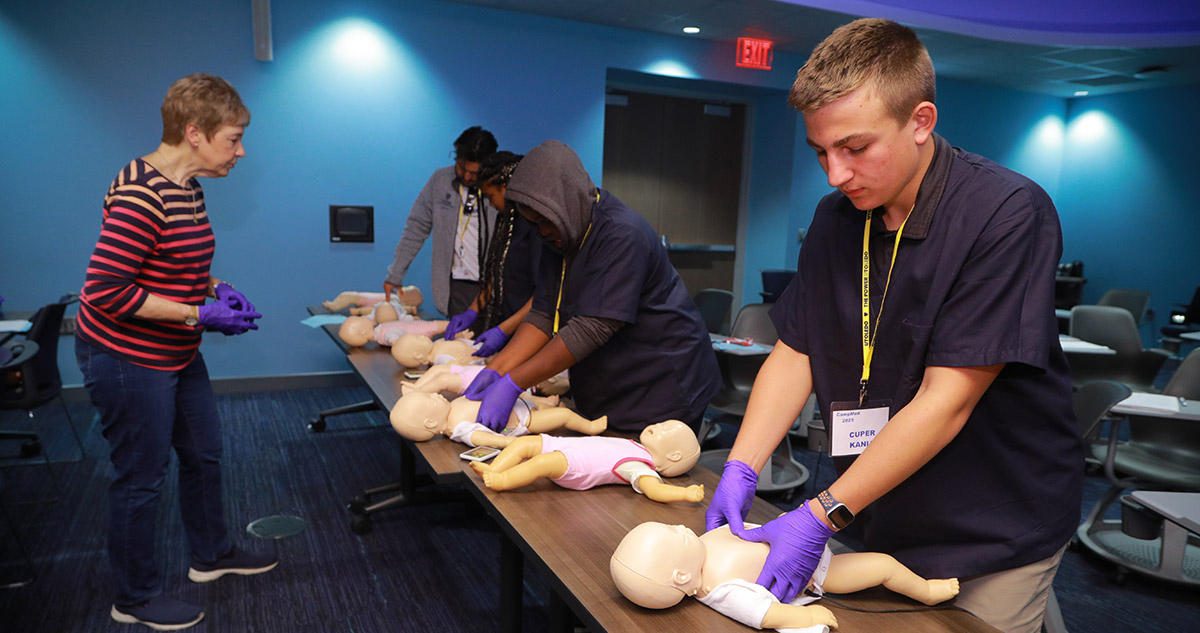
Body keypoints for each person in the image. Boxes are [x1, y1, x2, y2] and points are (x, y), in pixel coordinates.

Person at [704, 19, 1079, 633]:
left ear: (921, 122)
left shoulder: (1006, 212)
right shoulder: (836, 219)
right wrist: (742, 465)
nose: (834, 174)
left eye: (855, 148)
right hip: (877, 501)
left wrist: (817, 516)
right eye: (820, 151)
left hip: (992, 517)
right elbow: (796, 350)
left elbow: (947, 401)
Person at [74, 73, 276, 631]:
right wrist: (197, 314)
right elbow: (106, 290)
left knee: (204, 451)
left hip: (175, 351)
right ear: (195, 133)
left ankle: (211, 556)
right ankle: (133, 597)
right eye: (233, 139)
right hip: (123, 356)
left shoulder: (186, 185)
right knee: (141, 475)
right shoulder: (142, 193)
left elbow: (172, 258)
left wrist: (215, 289)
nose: (240, 151)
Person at [463, 140, 721, 435]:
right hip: (615, 383)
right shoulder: (559, 236)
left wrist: (513, 382)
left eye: (547, 221)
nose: (543, 231)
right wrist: (495, 369)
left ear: (567, 201)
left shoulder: (622, 235)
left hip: (662, 382)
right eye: (534, 224)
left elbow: (591, 328)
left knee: (651, 471)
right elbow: (543, 314)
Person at [611, 521, 960, 631]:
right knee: (883, 565)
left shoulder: (700, 548)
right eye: (675, 534)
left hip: (800, 540)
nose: (681, 526)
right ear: (681, 575)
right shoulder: (718, 587)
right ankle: (926, 591)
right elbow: (762, 614)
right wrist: (805, 615)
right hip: (815, 571)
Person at [383, 126, 500, 317]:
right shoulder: (441, 181)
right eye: (462, 168)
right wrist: (395, 274)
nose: (467, 176)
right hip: (455, 286)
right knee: (458, 343)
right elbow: (416, 228)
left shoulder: (500, 188)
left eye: (474, 172)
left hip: (491, 284)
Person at [443, 151, 542, 359]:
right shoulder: (507, 221)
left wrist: (504, 329)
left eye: (490, 196)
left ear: (506, 188)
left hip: (531, 335)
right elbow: (499, 274)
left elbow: (544, 296)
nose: (490, 203)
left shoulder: (537, 228)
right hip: (507, 329)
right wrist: (473, 310)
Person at [469, 419, 705, 503]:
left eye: (664, 429)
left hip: (577, 465)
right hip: (568, 445)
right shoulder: (635, 446)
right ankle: (492, 467)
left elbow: (655, 491)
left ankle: (502, 480)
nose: (657, 425)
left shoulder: (641, 466)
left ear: (674, 456)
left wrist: (683, 494)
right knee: (523, 443)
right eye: (662, 423)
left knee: (540, 464)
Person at [389, 388, 600, 447]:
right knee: (563, 415)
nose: (435, 395)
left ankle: (547, 403)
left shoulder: (452, 408)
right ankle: (590, 427)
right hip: (525, 420)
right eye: (430, 399)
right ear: (430, 423)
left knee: (534, 398)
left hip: (517, 404)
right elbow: (483, 439)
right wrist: (508, 441)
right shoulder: (459, 428)